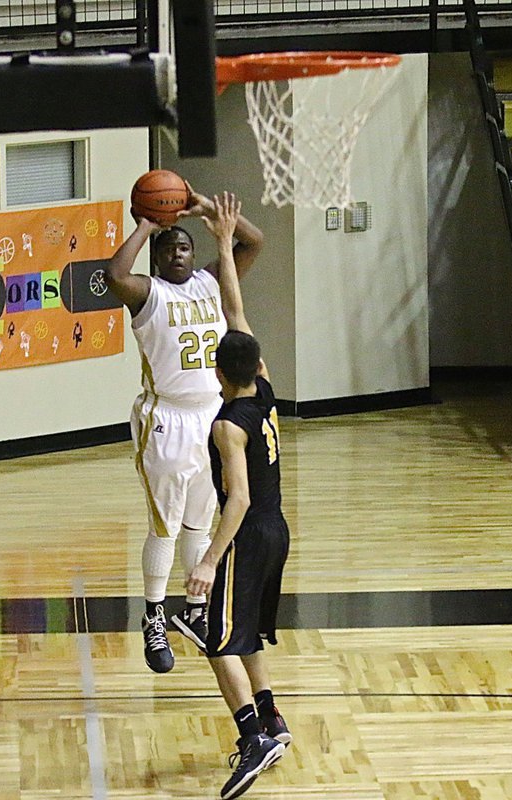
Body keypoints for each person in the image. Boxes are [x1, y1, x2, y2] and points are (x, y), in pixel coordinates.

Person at [104, 181, 263, 674]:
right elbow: (113, 273)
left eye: (184, 244)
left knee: (200, 519)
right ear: (157, 258)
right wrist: (147, 224)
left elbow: (253, 241)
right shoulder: (146, 293)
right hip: (165, 419)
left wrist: (207, 209)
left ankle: (194, 610)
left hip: (211, 415)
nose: (178, 251)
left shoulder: (212, 283)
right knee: (165, 525)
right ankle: (152, 614)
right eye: (169, 247)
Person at [186, 192, 291, 800]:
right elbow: (236, 307)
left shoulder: (228, 425)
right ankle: (272, 719)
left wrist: (205, 562)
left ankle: (253, 738)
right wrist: (223, 241)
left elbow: (239, 499)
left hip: (250, 531)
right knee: (245, 630)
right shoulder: (266, 386)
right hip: (279, 529)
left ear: (216, 372)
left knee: (217, 638)